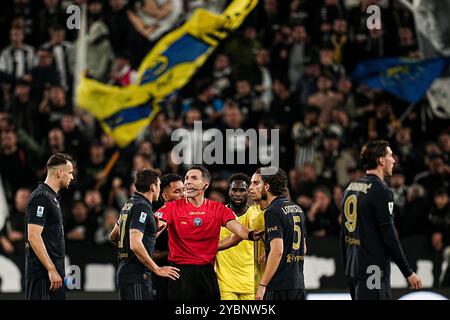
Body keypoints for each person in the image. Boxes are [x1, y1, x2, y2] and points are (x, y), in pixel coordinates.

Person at [155, 165, 263, 300]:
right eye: (187, 178)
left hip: (207, 272)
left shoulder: (218, 208)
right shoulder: (171, 207)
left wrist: (251, 235)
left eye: (194, 178)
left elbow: (237, 228)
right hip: (181, 273)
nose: (188, 181)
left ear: (205, 185)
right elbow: (159, 222)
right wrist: (155, 228)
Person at [341, 140, 422, 300]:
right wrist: (408, 272)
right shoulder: (382, 191)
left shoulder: (350, 188)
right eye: (390, 155)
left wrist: (348, 266)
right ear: (381, 160)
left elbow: (344, 233)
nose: (394, 160)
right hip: (373, 271)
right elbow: (389, 236)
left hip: (353, 268)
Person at [109, 169, 180, 300]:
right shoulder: (142, 207)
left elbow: (113, 236)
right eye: (158, 185)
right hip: (138, 275)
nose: (159, 189)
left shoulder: (129, 204)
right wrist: (157, 269)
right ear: (153, 187)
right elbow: (135, 244)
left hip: (126, 273)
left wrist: (151, 232)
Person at [25, 153, 74, 300]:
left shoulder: (52, 198)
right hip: (43, 275)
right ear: (60, 172)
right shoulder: (41, 197)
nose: (72, 177)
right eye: (70, 173)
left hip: (52, 276)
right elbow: (33, 236)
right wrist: (51, 269)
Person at [255, 168, 307, 300]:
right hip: (298, 283)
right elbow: (304, 248)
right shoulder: (298, 208)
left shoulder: (272, 211)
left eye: (258, 183)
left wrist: (262, 285)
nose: (256, 187)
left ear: (266, 187)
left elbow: (277, 250)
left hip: (279, 286)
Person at [215, 173, 255, 300]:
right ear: (229, 192)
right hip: (224, 282)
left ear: (248, 192)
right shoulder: (217, 215)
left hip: (251, 282)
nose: (238, 194)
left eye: (242, 190)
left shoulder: (256, 216)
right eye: (234, 190)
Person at [153, 173, 184, 300]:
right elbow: (146, 248)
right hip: (164, 277)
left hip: (187, 275)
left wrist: (165, 253)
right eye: (177, 191)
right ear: (165, 196)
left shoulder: (194, 215)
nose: (183, 194)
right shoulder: (159, 217)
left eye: (184, 190)